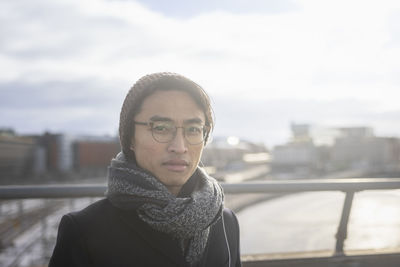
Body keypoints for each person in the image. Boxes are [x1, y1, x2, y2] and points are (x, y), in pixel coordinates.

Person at [49, 72, 241, 267]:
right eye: (160, 127)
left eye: (193, 129)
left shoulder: (225, 223)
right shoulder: (85, 231)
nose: (179, 146)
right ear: (130, 138)